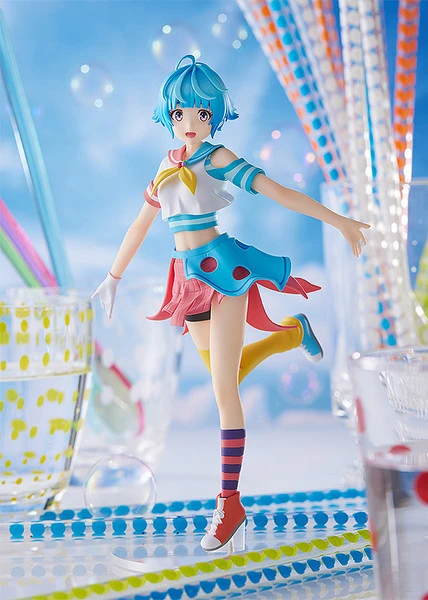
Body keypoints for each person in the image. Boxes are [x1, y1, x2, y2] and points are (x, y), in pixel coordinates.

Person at [92, 55, 370, 553]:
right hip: (187, 277)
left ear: (215, 115)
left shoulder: (216, 157)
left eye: (202, 113)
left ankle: (229, 503)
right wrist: (113, 277)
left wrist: (339, 220)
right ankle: (293, 332)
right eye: (181, 113)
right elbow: (139, 224)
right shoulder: (166, 164)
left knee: (224, 391)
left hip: (224, 270)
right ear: (169, 114)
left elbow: (278, 192)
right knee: (228, 373)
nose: (191, 122)